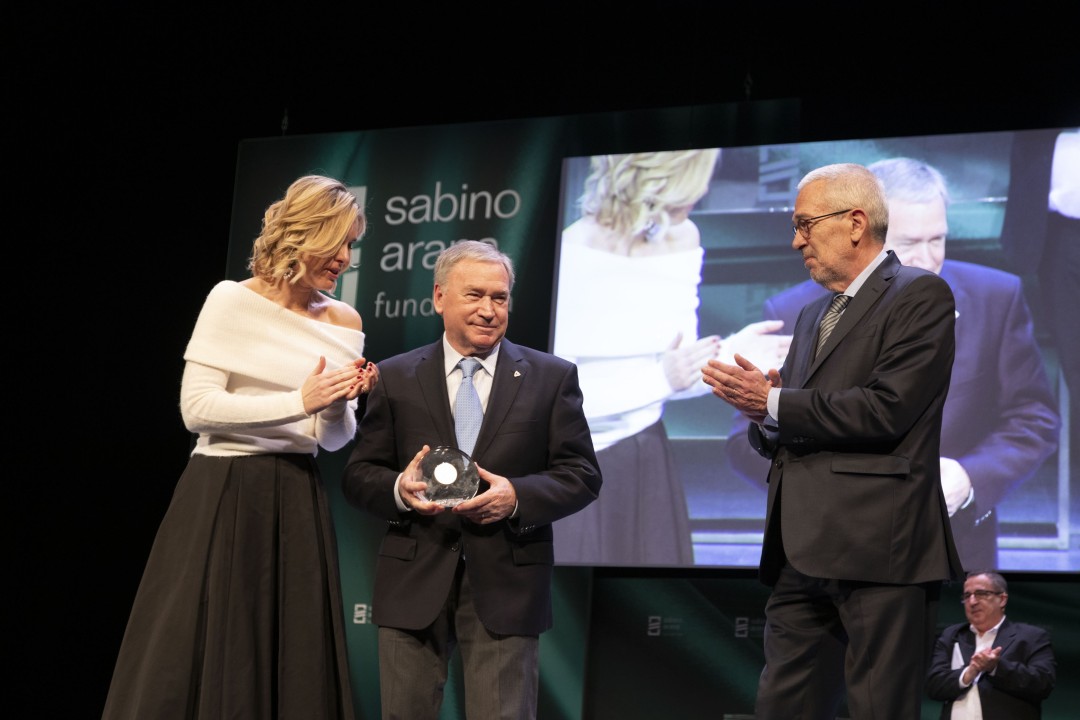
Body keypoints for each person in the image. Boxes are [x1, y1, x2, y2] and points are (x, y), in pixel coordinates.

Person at [103, 175, 379, 719]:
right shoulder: (231, 299)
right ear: (304, 234)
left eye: (352, 246)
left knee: (292, 655)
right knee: (202, 643)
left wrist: (334, 403)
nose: (346, 259)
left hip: (297, 494)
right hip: (223, 487)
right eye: (338, 242)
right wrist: (300, 400)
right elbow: (197, 409)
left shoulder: (345, 320)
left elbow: (333, 439)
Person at [701, 162, 964, 719]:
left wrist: (775, 403)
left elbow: (886, 409)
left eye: (805, 224)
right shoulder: (811, 315)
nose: (796, 241)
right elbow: (798, 422)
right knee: (782, 706)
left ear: (855, 223)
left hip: (878, 550)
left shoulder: (920, 294)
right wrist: (765, 416)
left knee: (878, 708)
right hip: (800, 550)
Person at [726, 156, 1060, 570]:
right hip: (829, 550)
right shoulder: (794, 312)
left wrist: (970, 477)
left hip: (949, 546)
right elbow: (746, 443)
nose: (928, 259)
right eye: (909, 242)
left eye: (937, 239)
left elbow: (1033, 418)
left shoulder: (996, 298)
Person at [342, 240, 602, 719]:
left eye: (499, 297)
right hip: (413, 578)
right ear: (439, 297)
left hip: (507, 582)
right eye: (475, 295)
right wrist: (399, 490)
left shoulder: (551, 377)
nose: (489, 309)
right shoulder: (396, 376)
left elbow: (582, 473)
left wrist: (516, 496)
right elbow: (359, 474)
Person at [552, 149, 789, 565]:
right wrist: (662, 378)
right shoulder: (572, 251)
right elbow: (558, 402)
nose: (701, 191)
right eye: (694, 177)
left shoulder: (683, 238)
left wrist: (734, 354)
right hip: (573, 463)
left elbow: (678, 376)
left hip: (646, 453)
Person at [926, 571, 1057, 719]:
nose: (972, 602)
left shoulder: (1031, 637)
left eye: (981, 594)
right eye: (967, 596)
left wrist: (996, 667)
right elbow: (934, 686)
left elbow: (1043, 684)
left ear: (1002, 599)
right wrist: (968, 673)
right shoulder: (951, 635)